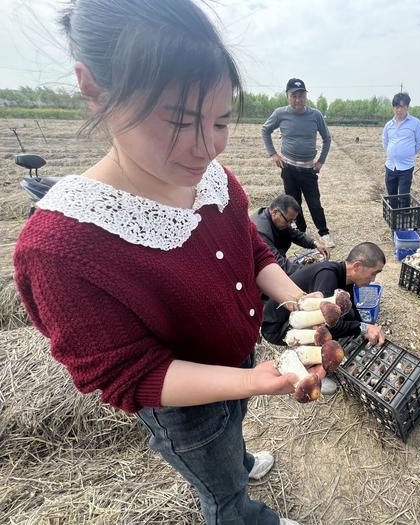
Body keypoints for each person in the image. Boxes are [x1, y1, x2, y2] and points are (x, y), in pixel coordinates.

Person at [13, 2, 317, 524]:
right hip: (184, 408)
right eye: (179, 122)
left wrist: (296, 298)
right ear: (94, 91)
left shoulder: (213, 177)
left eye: (220, 121)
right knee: (220, 491)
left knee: (233, 433)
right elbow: (130, 374)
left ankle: (238, 464)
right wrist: (256, 381)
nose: (205, 147)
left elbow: (250, 247)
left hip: (239, 359)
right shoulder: (61, 246)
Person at [261, 242, 387, 395]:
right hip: (278, 326)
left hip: (294, 317)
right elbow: (330, 325)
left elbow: (351, 308)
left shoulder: (344, 276)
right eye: (374, 273)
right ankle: (311, 371)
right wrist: (363, 328)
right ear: (357, 266)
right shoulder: (328, 276)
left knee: (347, 312)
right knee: (321, 331)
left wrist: (366, 326)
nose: (373, 279)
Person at [261, 78, 335, 247]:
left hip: (309, 169)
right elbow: (265, 130)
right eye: (293, 95)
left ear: (305, 96)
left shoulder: (315, 115)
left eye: (301, 95)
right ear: (287, 96)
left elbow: (327, 138)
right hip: (288, 168)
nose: (297, 99)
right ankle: (300, 231)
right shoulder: (281, 113)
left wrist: (320, 161)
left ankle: (324, 233)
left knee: (314, 203)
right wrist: (273, 154)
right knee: (294, 203)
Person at [252, 194, 331, 275]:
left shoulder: (275, 217)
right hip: (258, 272)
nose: (289, 225)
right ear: (275, 212)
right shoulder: (261, 232)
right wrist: (309, 271)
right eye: (289, 221)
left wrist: (314, 243)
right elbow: (278, 263)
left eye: (292, 221)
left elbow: (294, 234)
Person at [382, 92, 420, 195]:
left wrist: (408, 153)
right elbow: (385, 142)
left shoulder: (416, 123)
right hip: (390, 166)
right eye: (397, 107)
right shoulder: (388, 125)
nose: (399, 110)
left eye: (402, 107)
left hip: (406, 167)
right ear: (393, 108)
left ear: (407, 107)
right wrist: (392, 153)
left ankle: (402, 212)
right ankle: (393, 212)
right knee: (391, 196)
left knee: (403, 197)